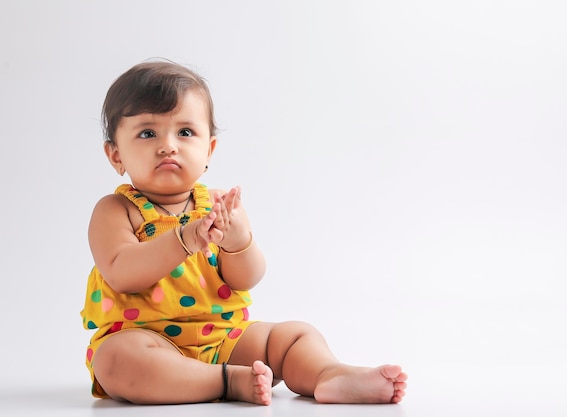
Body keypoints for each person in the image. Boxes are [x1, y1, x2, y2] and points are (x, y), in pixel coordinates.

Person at [80, 59, 408, 406]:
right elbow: (122, 273)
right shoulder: (117, 211)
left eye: (185, 132)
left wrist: (238, 242)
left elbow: (246, 278)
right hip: (148, 341)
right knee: (115, 361)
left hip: (226, 338)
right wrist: (186, 239)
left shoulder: (220, 206)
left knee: (295, 335)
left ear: (209, 150)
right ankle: (228, 381)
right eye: (148, 133)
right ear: (115, 155)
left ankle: (330, 375)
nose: (168, 146)